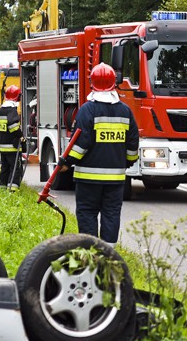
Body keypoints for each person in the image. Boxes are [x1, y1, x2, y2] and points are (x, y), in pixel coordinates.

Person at [58, 63, 139, 245]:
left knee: (87, 213)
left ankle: (90, 252)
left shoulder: (87, 110)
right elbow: (133, 143)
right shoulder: (125, 111)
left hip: (88, 179)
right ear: (113, 83)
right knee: (111, 214)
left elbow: (81, 143)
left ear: (92, 83)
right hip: (116, 179)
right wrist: (127, 161)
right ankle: (108, 254)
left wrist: (67, 162)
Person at [0, 85, 24, 190]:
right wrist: (21, 136)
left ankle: (1, 188)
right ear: (16, 97)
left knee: (5, 168)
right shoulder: (12, 111)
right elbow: (13, 126)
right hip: (13, 147)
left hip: (2, 146)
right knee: (16, 168)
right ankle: (12, 190)